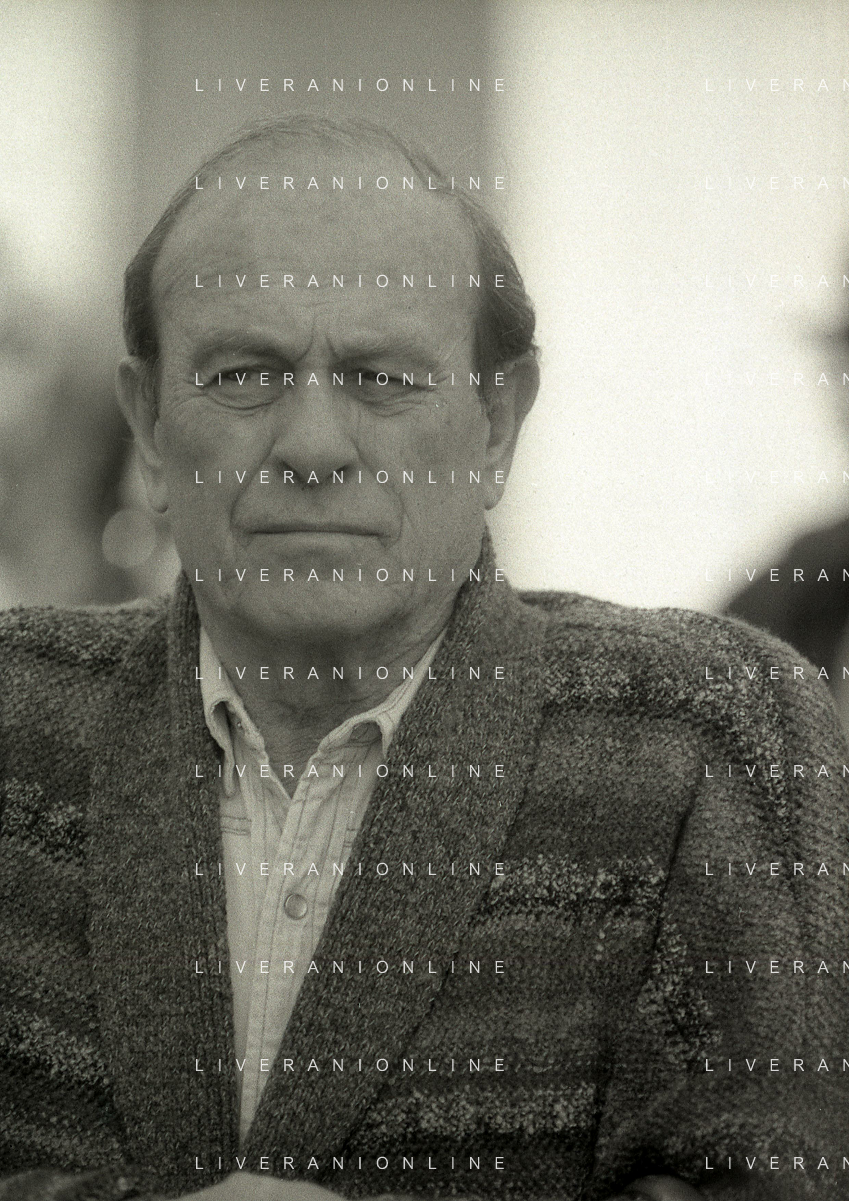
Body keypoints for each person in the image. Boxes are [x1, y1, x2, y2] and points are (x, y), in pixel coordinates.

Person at [0, 116, 846, 1201]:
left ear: (498, 424)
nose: (313, 447)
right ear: (150, 429)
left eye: (384, 378)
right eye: (244, 373)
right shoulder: (20, 718)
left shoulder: (705, 738)